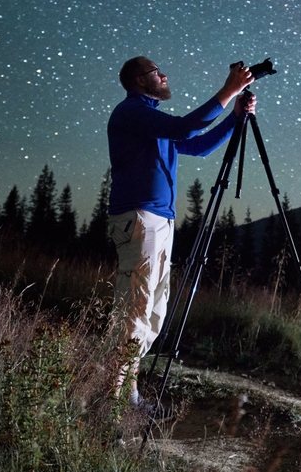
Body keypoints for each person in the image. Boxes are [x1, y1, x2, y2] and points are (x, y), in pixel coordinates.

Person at [107, 56, 255, 404]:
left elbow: (198, 145)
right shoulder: (130, 113)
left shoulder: (152, 123)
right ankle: (115, 400)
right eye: (157, 72)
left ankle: (127, 392)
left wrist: (235, 119)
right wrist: (228, 91)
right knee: (135, 310)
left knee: (152, 313)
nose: (164, 75)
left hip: (158, 223)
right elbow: (184, 128)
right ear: (140, 81)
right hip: (141, 220)